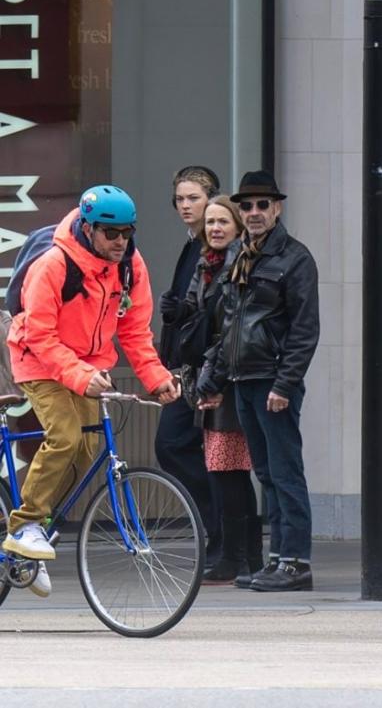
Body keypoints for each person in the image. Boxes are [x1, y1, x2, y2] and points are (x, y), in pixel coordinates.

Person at [4, 186, 180, 598]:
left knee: (85, 453)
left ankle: (36, 543)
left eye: (127, 232)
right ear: (88, 227)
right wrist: (80, 375)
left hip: (88, 365)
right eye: (110, 232)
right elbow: (41, 336)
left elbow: (135, 331)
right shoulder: (54, 264)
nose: (120, 241)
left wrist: (157, 378)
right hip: (38, 360)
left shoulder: (131, 267)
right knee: (64, 437)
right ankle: (24, 524)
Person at [197, 170, 320, 592]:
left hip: (272, 380)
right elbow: (227, 325)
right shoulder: (238, 256)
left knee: (285, 473)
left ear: (277, 208)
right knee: (266, 474)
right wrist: (211, 380)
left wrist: (285, 386)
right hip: (242, 379)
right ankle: (277, 560)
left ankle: (295, 562)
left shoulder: (295, 259)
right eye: (246, 205)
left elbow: (305, 331)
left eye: (261, 205)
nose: (253, 212)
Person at [176, 197, 263, 584]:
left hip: (226, 379)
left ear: (237, 227)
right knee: (224, 468)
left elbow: (229, 329)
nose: (214, 228)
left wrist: (213, 381)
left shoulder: (236, 265)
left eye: (222, 221)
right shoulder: (205, 265)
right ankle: (241, 555)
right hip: (210, 376)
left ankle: (240, 556)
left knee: (231, 470)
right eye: (210, 222)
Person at [155, 166, 221, 564]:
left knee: (179, 445)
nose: (185, 206)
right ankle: (215, 530)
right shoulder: (192, 245)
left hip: (203, 367)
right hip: (186, 365)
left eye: (193, 198)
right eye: (180, 199)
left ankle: (219, 531)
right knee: (179, 447)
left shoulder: (213, 247)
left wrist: (182, 312)